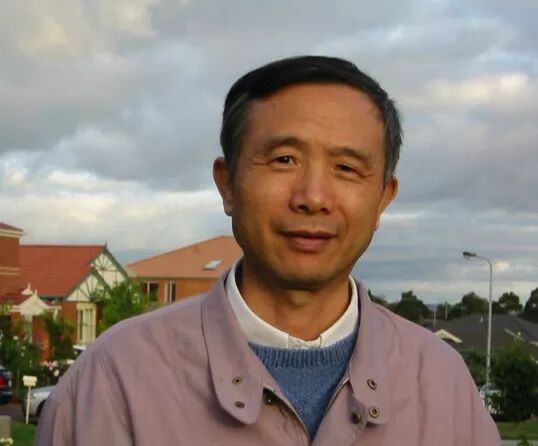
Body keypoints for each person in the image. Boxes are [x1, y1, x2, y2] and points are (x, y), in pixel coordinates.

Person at [36, 56, 501, 445]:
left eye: (346, 167)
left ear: (383, 198)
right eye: (284, 160)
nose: (313, 197)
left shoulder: (442, 383)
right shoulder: (113, 381)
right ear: (227, 184)